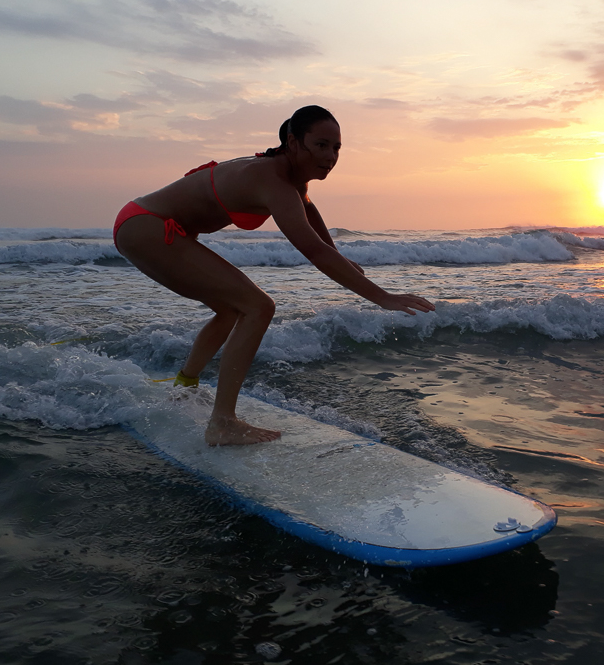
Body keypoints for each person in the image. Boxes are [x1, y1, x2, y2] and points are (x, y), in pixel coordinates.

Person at [113, 105, 435, 446]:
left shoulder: (288, 178)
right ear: (294, 142)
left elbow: (307, 208)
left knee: (230, 309)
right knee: (258, 306)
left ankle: (185, 386)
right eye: (321, 145)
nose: (330, 156)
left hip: (143, 224)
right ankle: (222, 423)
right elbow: (313, 250)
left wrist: (339, 254)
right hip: (147, 228)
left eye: (337, 147)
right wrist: (381, 296)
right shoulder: (274, 181)